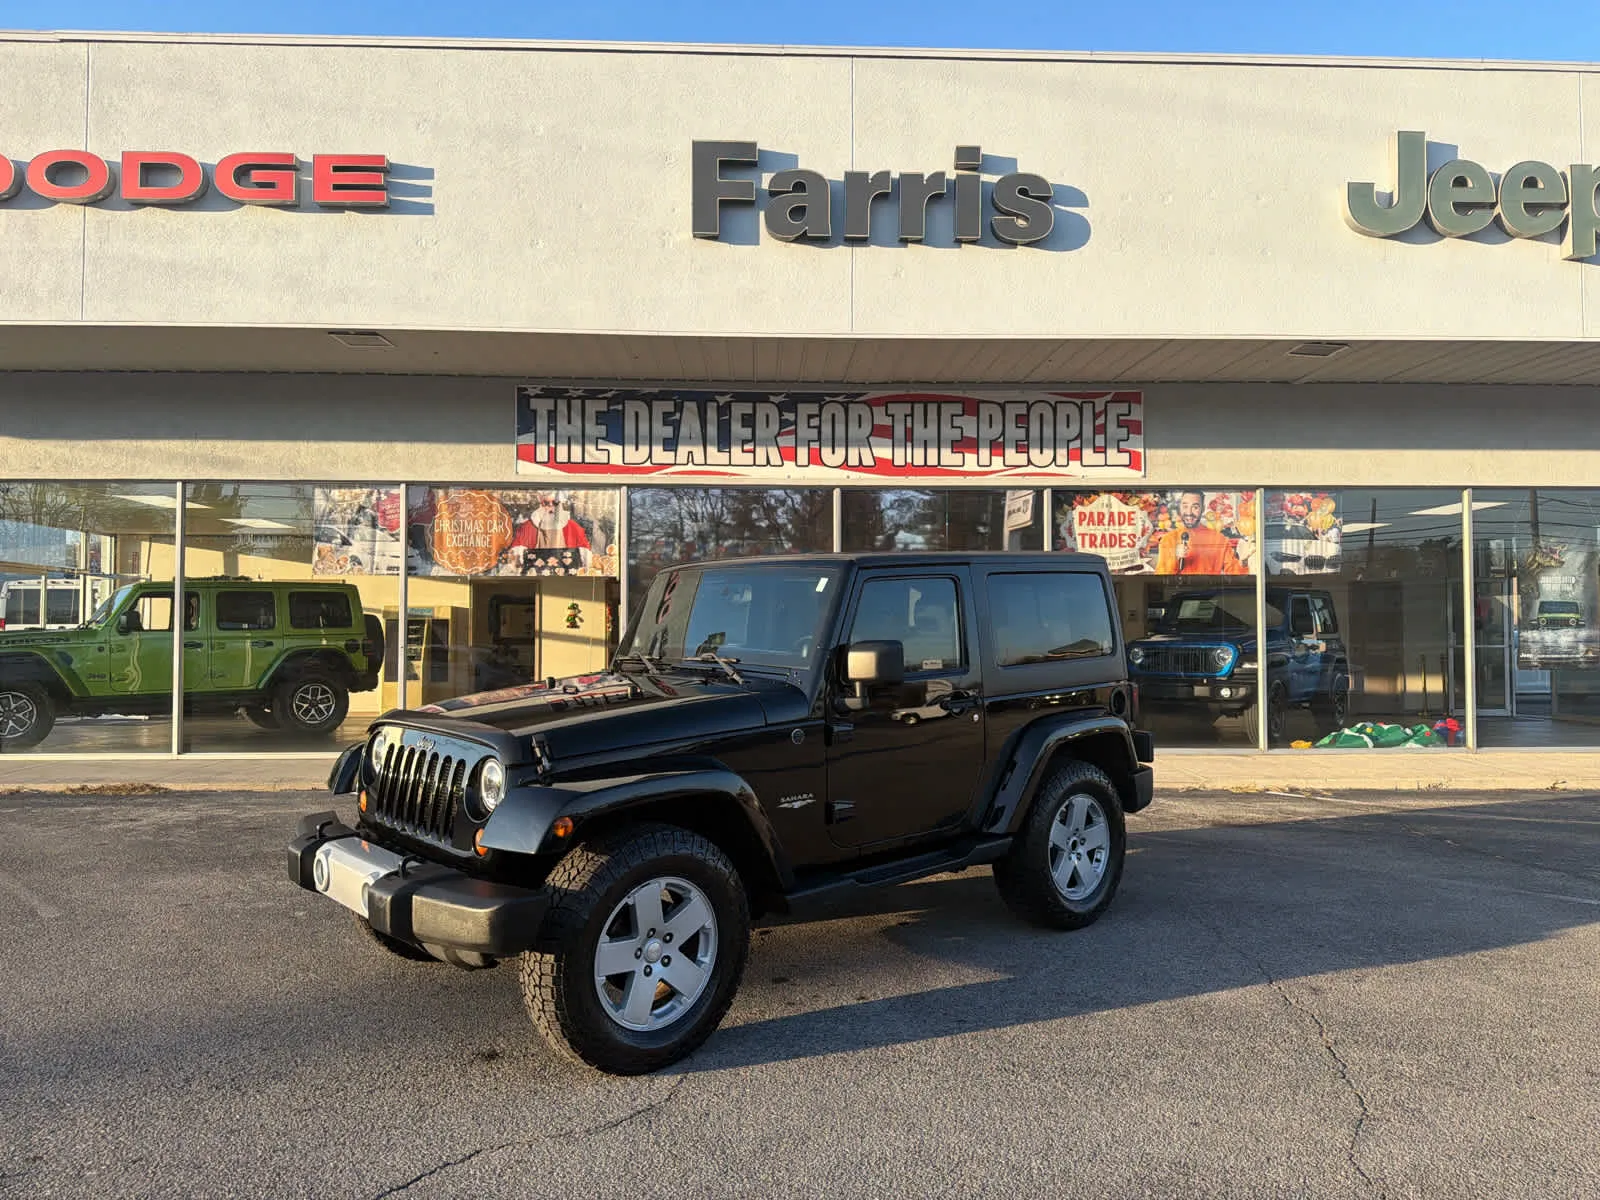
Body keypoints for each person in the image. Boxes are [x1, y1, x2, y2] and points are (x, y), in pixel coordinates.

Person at [1154, 491, 1246, 575]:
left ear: (1203, 509)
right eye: (1185, 506)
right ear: (1180, 508)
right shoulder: (1168, 539)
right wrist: (1175, 558)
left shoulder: (1219, 539)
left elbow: (1236, 573)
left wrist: (1244, 562)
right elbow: (1160, 579)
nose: (1189, 512)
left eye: (1195, 507)